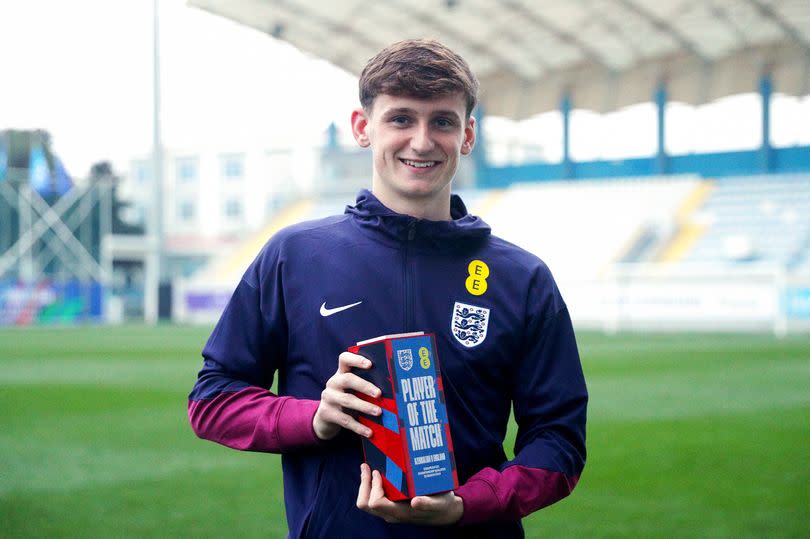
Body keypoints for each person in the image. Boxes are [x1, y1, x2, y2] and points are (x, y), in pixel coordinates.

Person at [189, 39, 587, 538]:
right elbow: (212, 400)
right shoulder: (295, 256)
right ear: (363, 127)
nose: (421, 141)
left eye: (442, 121)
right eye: (401, 118)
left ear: (467, 136)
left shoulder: (523, 279)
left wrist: (466, 504)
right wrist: (315, 418)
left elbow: (560, 444)